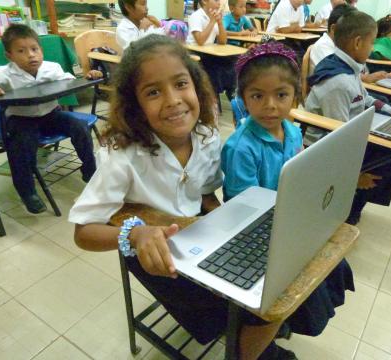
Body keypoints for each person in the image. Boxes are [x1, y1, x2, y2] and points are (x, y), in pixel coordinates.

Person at [69, 34, 293, 360]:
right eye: (154, 92)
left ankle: (254, 343)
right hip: (151, 251)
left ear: (197, 87)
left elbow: (204, 192)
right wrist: (134, 233)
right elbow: (82, 232)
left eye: (180, 84)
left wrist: (224, 222)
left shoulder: (206, 136)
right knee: (252, 307)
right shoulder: (124, 156)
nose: (173, 100)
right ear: (135, 104)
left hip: (193, 234)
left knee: (273, 281)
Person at [221, 42, 355, 359]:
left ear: (296, 95)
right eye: (257, 96)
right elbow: (246, 205)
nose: (270, 106)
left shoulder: (292, 132)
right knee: (297, 280)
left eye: (281, 95)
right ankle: (260, 338)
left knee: (331, 260)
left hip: (285, 220)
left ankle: (285, 322)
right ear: (243, 99)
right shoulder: (241, 147)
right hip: (248, 229)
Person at [305, 10, 391, 224]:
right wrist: (353, 176)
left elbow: (366, 99)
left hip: (348, 133)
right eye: (371, 42)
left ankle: (352, 204)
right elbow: (337, 138)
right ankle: (347, 212)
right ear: (358, 43)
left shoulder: (349, 69)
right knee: (386, 161)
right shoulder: (338, 82)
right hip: (322, 148)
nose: (373, 48)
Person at [0, 24, 101, 214]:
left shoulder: (52, 68)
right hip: (21, 118)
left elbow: (70, 81)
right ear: (9, 56)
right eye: (21, 51)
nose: (31, 55)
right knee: (21, 145)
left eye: (34, 49)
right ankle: (27, 192)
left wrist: (89, 76)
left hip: (51, 115)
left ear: (41, 50)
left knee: (80, 127)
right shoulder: (2, 73)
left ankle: (89, 170)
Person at [187, 0, 236, 100]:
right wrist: (212, 21)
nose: (219, 3)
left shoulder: (213, 16)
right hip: (194, 52)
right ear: (204, 1)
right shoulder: (196, 16)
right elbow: (200, 41)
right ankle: (213, 98)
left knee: (232, 61)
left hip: (209, 52)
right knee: (214, 68)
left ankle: (233, 96)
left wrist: (220, 23)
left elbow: (222, 41)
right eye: (216, 0)